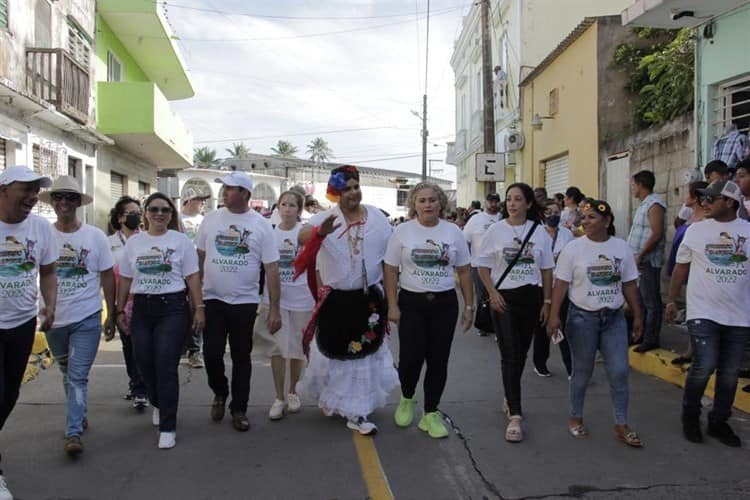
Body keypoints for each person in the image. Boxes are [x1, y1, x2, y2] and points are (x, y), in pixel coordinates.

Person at [295, 165, 398, 435]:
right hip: (336, 300)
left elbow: (391, 261)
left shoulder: (377, 217)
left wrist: (393, 300)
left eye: (355, 187)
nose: (353, 192)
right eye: (346, 189)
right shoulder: (326, 218)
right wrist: (321, 233)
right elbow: (301, 236)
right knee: (336, 355)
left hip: (369, 299)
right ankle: (340, 401)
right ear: (335, 193)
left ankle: (358, 411)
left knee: (363, 356)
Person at [547, 199, 644, 447]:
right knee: (582, 372)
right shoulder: (573, 248)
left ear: (607, 221)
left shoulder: (621, 248)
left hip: (613, 319)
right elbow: (561, 284)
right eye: (584, 217)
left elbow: (629, 284)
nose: (586, 222)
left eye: (592, 217)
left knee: (620, 371)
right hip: (581, 319)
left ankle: (621, 423)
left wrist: (638, 315)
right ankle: (575, 418)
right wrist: (554, 315)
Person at [383, 182, 473, 438]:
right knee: (411, 358)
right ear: (414, 205)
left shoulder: (453, 232)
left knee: (438, 360)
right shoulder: (402, 232)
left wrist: (469, 306)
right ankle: (407, 397)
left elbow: (465, 270)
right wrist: (392, 304)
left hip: (444, 304)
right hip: (411, 303)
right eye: (422, 201)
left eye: (432, 200)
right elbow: (390, 269)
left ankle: (430, 413)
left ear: (441, 203)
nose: (427, 205)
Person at [116, 193, 204, 450]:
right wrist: (119, 311)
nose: (159, 214)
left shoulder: (181, 241)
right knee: (143, 363)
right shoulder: (134, 243)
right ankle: (158, 401)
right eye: (154, 209)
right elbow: (125, 279)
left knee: (166, 365)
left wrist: (198, 308)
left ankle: (168, 425)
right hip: (142, 308)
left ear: (171, 214)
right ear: (145, 213)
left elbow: (193, 277)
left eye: (165, 210)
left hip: (173, 308)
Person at [195, 172, 281, 432]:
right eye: (224, 188)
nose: (224, 193)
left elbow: (272, 269)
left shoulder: (262, 225)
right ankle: (220, 392)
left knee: (242, 357)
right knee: (211, 354)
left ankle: (239, 409)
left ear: (245, 193)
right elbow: (198, 260)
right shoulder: (210, 221)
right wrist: (196, 301)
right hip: (212, 299)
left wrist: (274, 309)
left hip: (244, 303)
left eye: (231, 189)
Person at [667, 180, 750, 447]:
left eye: (712, 198)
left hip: (739, 315)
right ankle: (690, 417)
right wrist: (671, 300)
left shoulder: (747, 232)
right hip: (703, 311)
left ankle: (719, 422)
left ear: (730, 202)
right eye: (704, 198)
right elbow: (680, 269)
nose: (706, 202)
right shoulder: (695, 231)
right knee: (704, 365)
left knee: (728, 373)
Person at [40, 176, 115, 456]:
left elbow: (107, 275)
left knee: (77, 375)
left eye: (70, 198)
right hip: (54, 320)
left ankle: (73, 432)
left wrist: (112, 313)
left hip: (87, 318)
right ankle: (79, 410)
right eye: (58, 197)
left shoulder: (94, 237)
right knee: (66, 371)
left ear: (78, 203)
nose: (64, 203)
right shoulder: (44, 235)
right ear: (53, 202)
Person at [476, 182, 554, 442]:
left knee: (520, 353)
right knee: (509, 352)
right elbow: (482, 266)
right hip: (504, 298)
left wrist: (547, 302)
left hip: (531, 297)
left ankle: (510, 398)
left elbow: (546, 269)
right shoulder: (495, 231)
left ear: (529, 204)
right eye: (509, 199)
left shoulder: (540, 232)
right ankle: (516, 415)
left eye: (518, 199)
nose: (511, 203)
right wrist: (492, 293)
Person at [0, 166, 56, 498]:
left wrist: (51, 304)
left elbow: (47, 271)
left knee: (9, 395)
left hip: (22, 323)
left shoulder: (40, 228)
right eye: (27, 189)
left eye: (37, 190)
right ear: (4, 189)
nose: (33, 196)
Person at [261, 190, 314, 420]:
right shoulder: (269, 233)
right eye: (283, 204)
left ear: (299, 210)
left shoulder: (305, 233)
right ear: (277, 207)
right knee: (277, 348)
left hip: (302, 298)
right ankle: (278, 397)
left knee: (297, 349)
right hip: (275, 300)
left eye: (292, 205)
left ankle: (293, 391)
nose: (287, 209)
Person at [108, 196, 149, 410]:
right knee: (128, 346)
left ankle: (141, 388)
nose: (136, 216)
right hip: (121, 302)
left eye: (138, 212)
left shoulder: (146, 240)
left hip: (143, 301)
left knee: (142, 347)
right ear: (120, 218)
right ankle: (136, 384)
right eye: (131, 213)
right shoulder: (110, 243)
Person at [666, 182, 708, 366]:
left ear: (695, 197)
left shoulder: (705, 223)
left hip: (700, 275)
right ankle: (691, 350)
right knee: (692, 312)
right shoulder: (690, 218)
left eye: (687, 192)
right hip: (686, 272)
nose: (684, 195)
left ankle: (700, 353)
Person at [532, 199, 574, 377]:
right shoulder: (536, 234)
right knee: (542, 326)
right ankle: (540, 363)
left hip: (562, 286)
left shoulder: (567, 234)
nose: (553, 216)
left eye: (556, 212)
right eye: (549, 212)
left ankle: (571, 367)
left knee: (563, 325)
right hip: (541, 285)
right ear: (542, 214)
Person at [627, 170, 666, 353]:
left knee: (651, 302)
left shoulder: (655, 204)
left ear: (641, 185)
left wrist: (641, 255)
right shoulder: (644, 205)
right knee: (641, 301)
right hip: (639, 261)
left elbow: (656, 233)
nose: (632, 188)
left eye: (634, 184)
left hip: (648, 261)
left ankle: (651, 338)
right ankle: (640, 335)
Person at [462, 192, 502, 336]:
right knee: (483, 297)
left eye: (496, 201)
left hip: (500, 266)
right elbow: (465, 240)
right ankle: (484, 325)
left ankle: (498, 328)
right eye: (491, 201)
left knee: (499, 296)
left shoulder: (504, 219)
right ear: (485, 202)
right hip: (479, 266)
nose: (493, 204)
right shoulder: (475, 220)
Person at [179, 189, 208, 370]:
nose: (202, 204)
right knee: (181, 310)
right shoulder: (176, 218)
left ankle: (195, 350)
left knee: (196, 307)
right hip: (178, 269)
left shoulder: (206, 220)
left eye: (204, 201)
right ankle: (181, 346)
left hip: (198, 269)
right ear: (189, 201)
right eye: (199, 200)